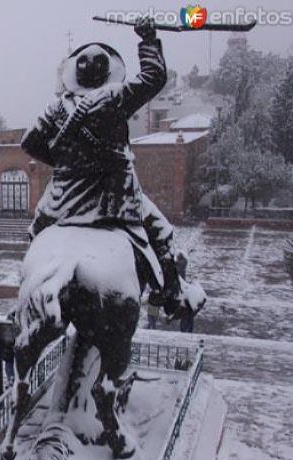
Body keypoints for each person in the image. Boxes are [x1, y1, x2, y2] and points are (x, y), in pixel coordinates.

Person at [20, 16, 200, 322]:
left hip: (63, 200)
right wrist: (147, 38)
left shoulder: (54, 108)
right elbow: (155, 76)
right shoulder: (115, 97)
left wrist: (67, 164)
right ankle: (172, 294)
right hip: (116, 198)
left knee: (37, 229)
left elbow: (29, 142)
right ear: (108, 73)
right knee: (161, 231)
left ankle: (24, 284)